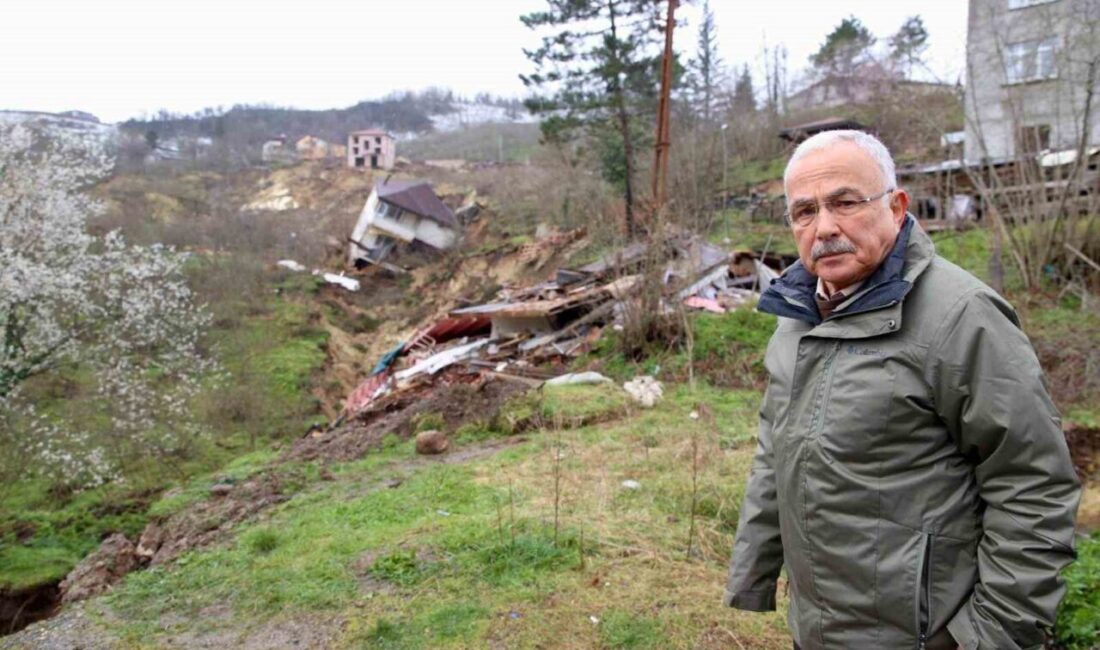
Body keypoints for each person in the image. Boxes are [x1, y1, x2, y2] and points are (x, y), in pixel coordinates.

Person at [722, 130, 1081, 650]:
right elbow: (775, 449)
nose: (824, 227)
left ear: (896, 206)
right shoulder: (797, 316)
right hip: (819, 628)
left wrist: (988, 635)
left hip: (925, 635)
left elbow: (1033, 484)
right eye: (804, 211)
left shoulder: (962, 316)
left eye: (845, 202)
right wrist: (754, 572)